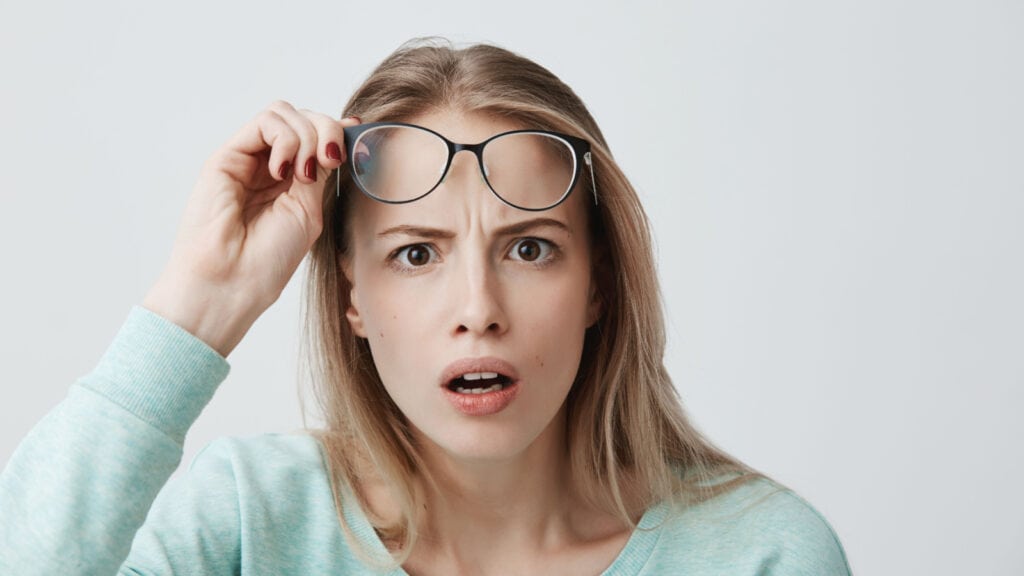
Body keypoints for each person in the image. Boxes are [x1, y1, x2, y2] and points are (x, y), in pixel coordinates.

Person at [0, 38, 852, 575]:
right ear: (351, 299)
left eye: (529, 248)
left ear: (598, 284)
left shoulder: (760, 554)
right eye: (416, 254)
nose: (478, 309)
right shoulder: (249, 524)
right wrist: (199, 305)